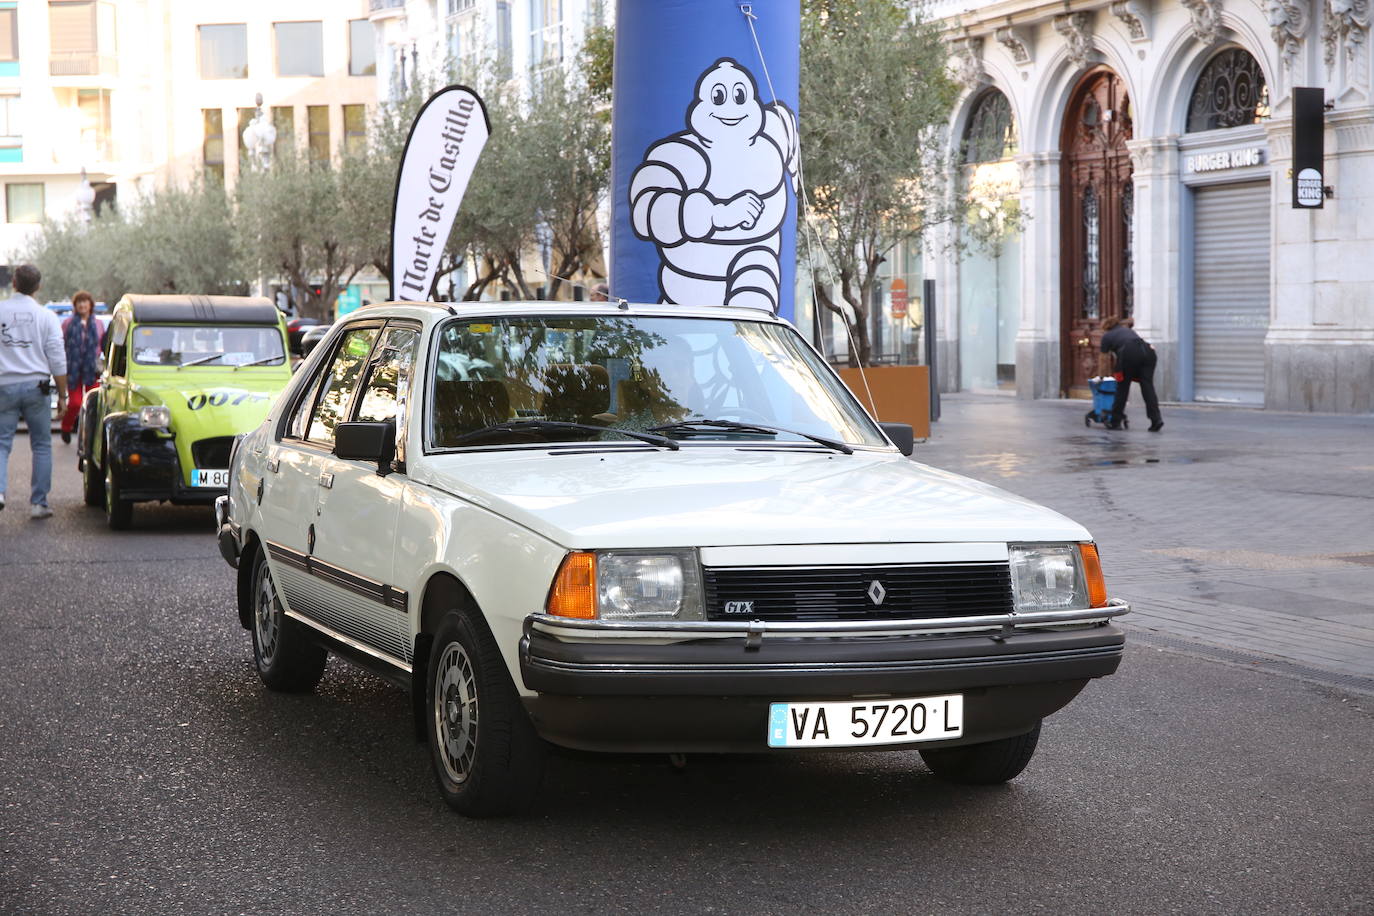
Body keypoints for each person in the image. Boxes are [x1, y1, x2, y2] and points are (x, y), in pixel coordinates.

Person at [0, 264, 69, 517]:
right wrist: (62, 395)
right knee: (41, 444)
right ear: (38, 287)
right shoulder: (47, 317)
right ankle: (38, 503)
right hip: (37, 387)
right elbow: (58, 359)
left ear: (14, 283)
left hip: (4, 385)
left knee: (1, 443)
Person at [1099, 316, 1163, 432]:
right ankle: (1156, 419)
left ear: (1106, 327)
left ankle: (1115, 422)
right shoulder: (1128, 331)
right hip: (1148, 351)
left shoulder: (1107, 336)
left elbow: (1103, 359)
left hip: (1128, 353)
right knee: (1147, 386)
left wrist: (1102, 376)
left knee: (1122, 388)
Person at [60, 290, 103, 445]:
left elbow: (103, 345)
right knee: (75, 403)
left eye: (85, 302)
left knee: (95, 403)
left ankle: (91, 434)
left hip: (92, 368)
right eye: (79, 302)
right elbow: (61, 344)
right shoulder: (67, 323)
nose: (82, 305)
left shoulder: (98, 323)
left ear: (90, 305)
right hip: (73, 368)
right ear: (75, 306)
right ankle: (66, 427)